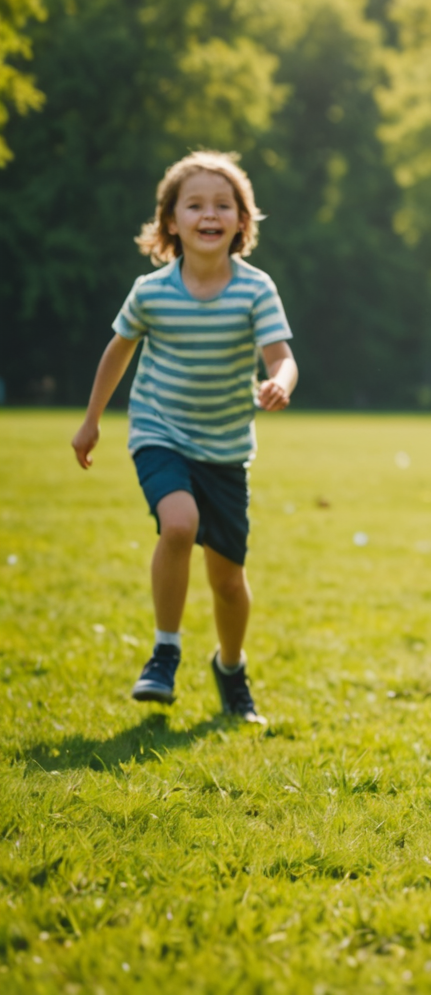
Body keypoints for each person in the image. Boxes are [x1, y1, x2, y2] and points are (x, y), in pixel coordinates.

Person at [69, 152, 297, 724]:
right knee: (178, 524)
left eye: (222, 205)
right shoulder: (151, 292)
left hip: (225, 448)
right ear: (171, 220)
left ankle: (231, 667)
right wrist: (92, 420)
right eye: (194, 205)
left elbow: (281, 357)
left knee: (228, 581)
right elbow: (118, 351)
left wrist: (280, 383)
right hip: (159, 431)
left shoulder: (255, 290)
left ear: (241, 221)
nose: (209, 214)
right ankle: (164, 652)